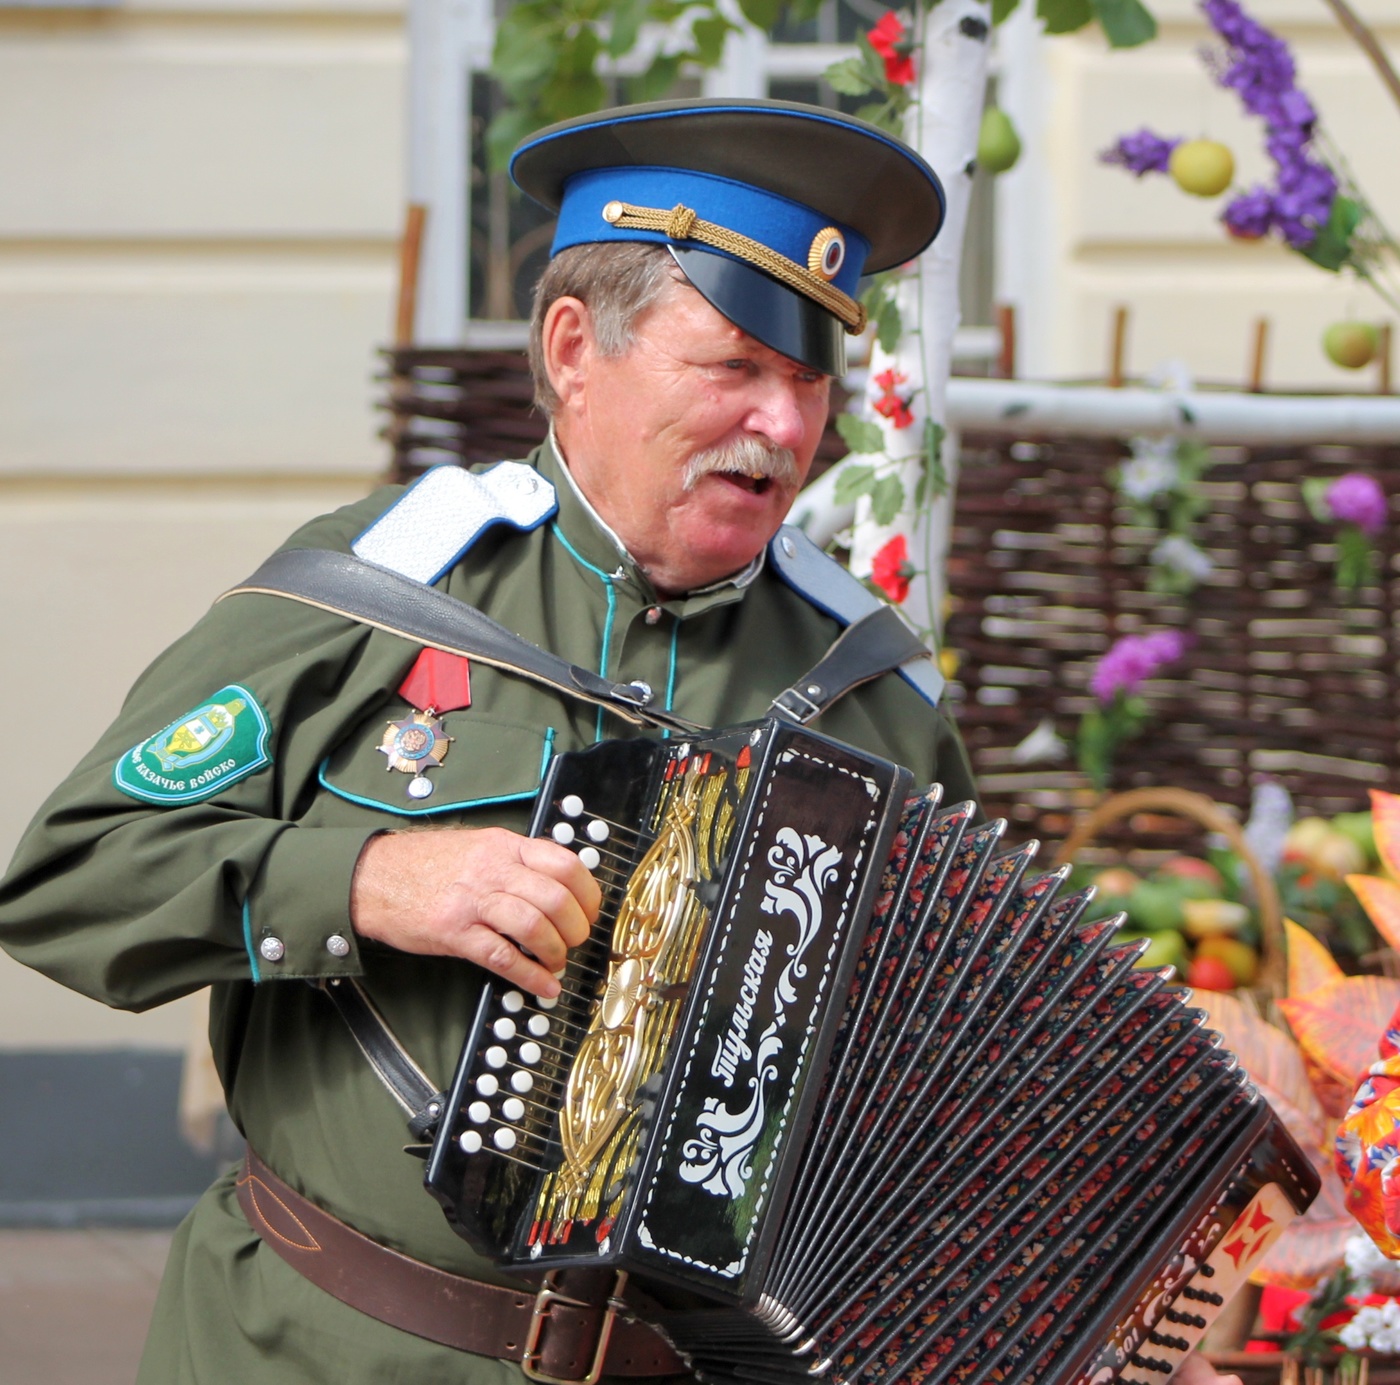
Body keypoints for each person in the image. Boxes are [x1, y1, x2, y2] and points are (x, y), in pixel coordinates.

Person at [0, 99, 1240, 1385]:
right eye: (731, 368)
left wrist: (1077, 1334)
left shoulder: (864, 689)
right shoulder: (372, 594)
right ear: (573, 347)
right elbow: (71, 879)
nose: (781, 427)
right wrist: (370, 880)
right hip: (319, 1349)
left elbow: (947, 1094)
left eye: (809, 381)